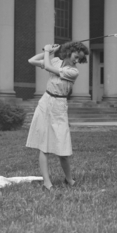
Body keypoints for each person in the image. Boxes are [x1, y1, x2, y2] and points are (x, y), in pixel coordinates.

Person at [26, 41, 90, 192]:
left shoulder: (73, 71)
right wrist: (50, 52)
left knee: (63, 147)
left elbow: (48, 67)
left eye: (79, 59)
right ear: (69, 52)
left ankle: (69, 179)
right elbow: (32, 61)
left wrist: (48, 51)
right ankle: (47, 183)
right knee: (44, 146)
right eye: (76, 56)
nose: (76, 61)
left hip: (60, 106)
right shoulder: (55, 60)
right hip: (45, 103)